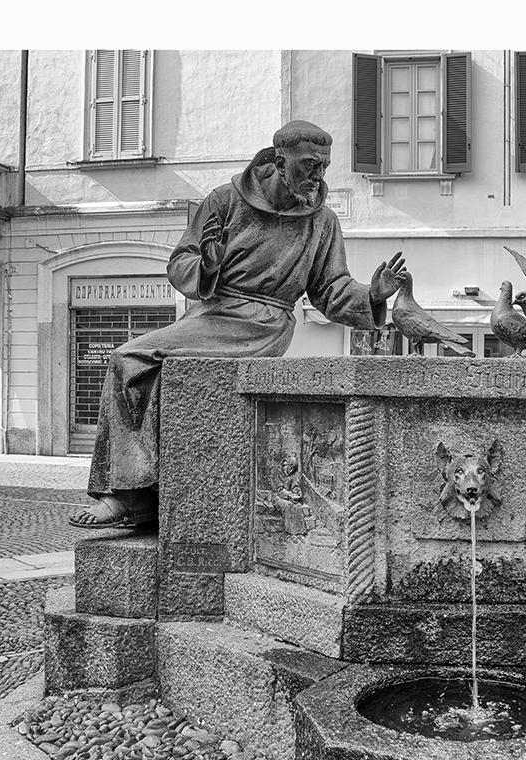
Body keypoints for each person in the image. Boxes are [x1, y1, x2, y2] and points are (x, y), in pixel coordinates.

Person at [71, 120, 406, 527]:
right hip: (211, 313)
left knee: (129, 359)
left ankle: (127, 496)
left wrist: (371, 295)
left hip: (264, 324)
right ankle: (142, 491)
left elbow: (329, 289)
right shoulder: (225, 200)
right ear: (280, 162)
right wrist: (207, 264)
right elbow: (180, 264)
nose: (319, 175)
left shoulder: (322, 222)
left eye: (324, 166)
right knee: (140, 368)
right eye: (310, 164)